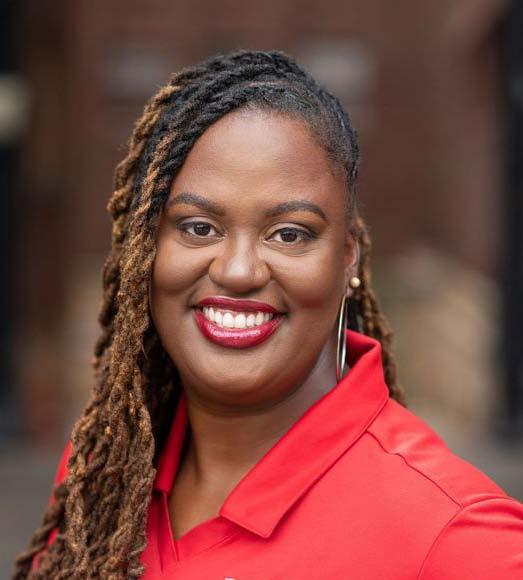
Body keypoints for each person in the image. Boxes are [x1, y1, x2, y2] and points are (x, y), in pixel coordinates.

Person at [13, 50, 523, 579]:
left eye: (289, 234)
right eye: (198, 227)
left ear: (347, 257)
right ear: (144, 249)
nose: (238, 271)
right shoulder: (103, 471)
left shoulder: (459, 537)